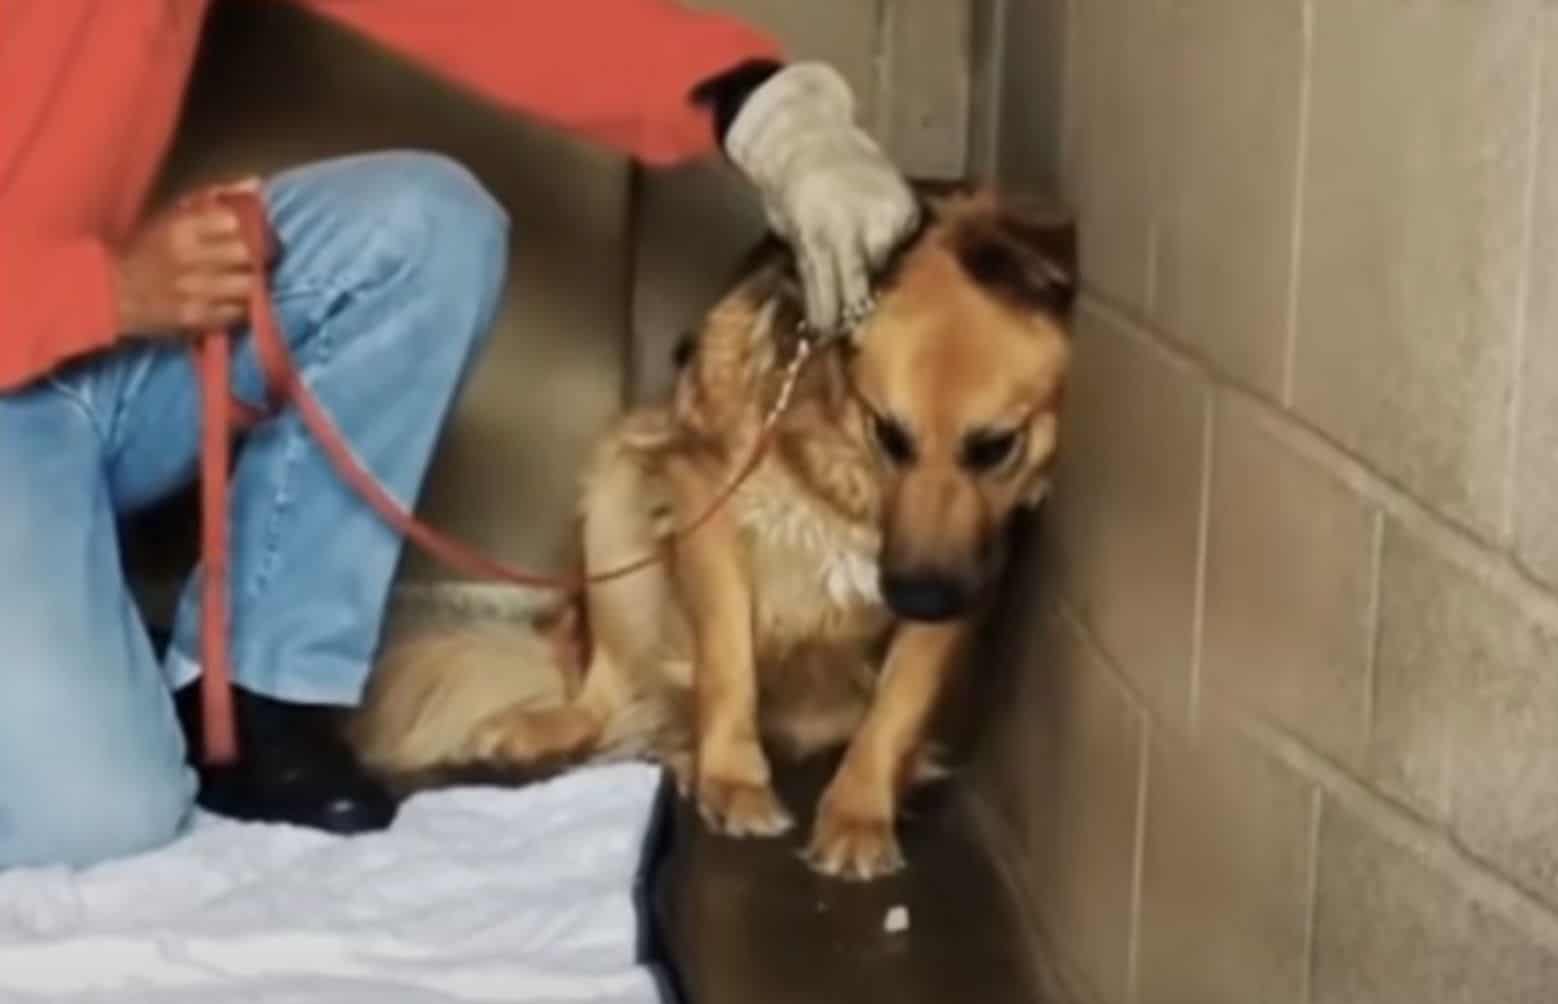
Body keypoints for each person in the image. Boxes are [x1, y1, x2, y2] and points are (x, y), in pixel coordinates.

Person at [0, 1, 921, 871]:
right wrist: (102, 293)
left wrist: (761, 110)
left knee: (420, 229)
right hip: (59, 337)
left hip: (91, 361)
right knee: (95, 816)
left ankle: (249, 699)